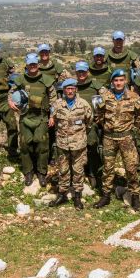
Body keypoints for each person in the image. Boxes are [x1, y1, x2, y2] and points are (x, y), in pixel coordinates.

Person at [93, 69, 140, 211]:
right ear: (112, 82)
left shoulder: (134, 97)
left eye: (121, 80)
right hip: (109, 137)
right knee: (108, 168)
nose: (118, 83)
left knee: (131, 168)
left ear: (126, 81)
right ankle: (106, 195)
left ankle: (135, 196)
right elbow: (99, 114)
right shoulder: (105, 97)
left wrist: (132, 128)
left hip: (126, 138)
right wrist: (106, 126)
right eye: (116, 80)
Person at [10, 53, 57, 186]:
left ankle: (42, 172)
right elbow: (11, 92)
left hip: (41, 117)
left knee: (42, 145)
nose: (32, 66)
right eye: (30, 64)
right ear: (27, 65)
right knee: (25, 145)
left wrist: (52, 116)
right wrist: (10, 101)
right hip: (25, 117)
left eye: (34, 64)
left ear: (38, 65)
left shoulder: (46, 80)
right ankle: (28, 171)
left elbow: (54, 100)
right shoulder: (20, 80)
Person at [49, 78, 93, 209]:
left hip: (78, 145)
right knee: (63, 170)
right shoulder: (57, 104)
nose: (70, 91)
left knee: (78, 170)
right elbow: (53, 118)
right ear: (63, 90)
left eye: (72, 88)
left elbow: (89, 122)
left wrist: (79, 135)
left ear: (76, 89)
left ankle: (77, 196)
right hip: (62, 144)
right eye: (67, 89)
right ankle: (62, 195)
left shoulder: (84, 104)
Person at [74, 61, 105, 187]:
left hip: (92, 122)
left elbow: (106, 99)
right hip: (76, 123)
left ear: (87, 72)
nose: (81, 74)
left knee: (92, 145)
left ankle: (93, 172)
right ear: (76, 72)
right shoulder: (73, 86)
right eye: (79, 72)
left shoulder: (96, 86)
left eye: (83, 71)